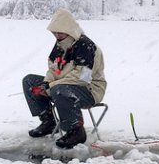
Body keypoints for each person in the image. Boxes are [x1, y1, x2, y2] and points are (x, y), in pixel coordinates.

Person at [22, 8, 106, 149]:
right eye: (54, 32)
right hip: (61, 87)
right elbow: (53, 69)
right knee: (29, 81)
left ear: (70, 30)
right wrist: (45, 84)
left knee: (59, 89)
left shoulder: (86, 47)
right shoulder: (60, 45)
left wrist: (51, 87)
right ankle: (48, 121)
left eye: (60, 32)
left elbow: (82, 78)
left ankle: (76, 131)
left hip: (89, 90)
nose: (57, 35)